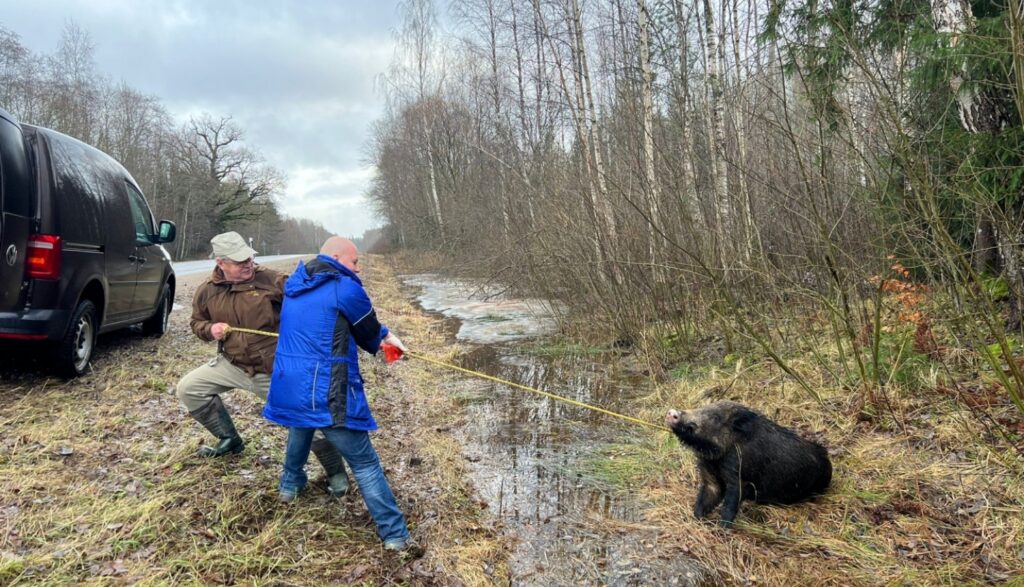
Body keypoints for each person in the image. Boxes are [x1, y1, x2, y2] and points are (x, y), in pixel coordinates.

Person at [262, 236, 414, 551]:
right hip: (326, 391)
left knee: (301, 426)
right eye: (355, 261)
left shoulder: (295, 285)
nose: (358, 267)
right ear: (336, 257)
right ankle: (395, 536)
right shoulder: (345, 287)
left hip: (290, 385)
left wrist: (382, 338)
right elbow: (369, 332)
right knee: (365, 462)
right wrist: (392, 343)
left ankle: (289, 487)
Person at [176, 231, 352, 497]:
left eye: (249, 258)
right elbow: (196, 323)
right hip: (233, 365)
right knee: (189, 388)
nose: (247, 264)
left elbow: (312, 301)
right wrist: (209, 329)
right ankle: (230, 440)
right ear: (221, 262)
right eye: (239, 261)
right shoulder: (206, 292)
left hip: (274, 370)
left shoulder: (272, 280)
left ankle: (336, 471)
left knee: (308, 422)